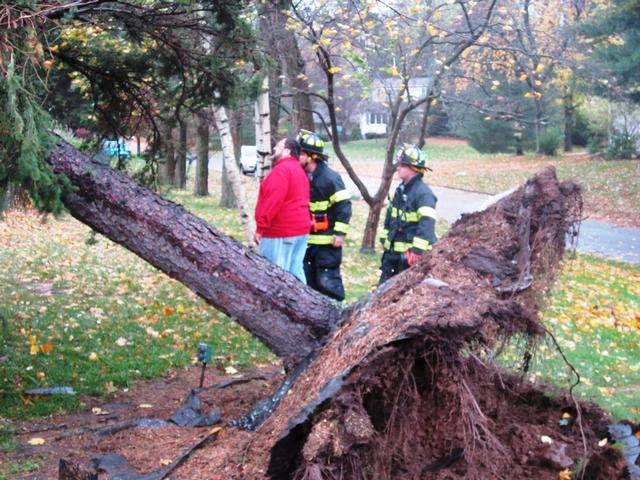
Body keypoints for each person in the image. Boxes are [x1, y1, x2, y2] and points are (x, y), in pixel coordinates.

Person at [298, 130, 352, 301]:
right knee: (308, 282)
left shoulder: (330, 178)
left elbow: (344, 206)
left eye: (299, 153)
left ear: (311, 156)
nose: (296, 157)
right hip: (308, 241)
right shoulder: (303, 177)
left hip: (328, 243)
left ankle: (338, 315)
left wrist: (339, 233)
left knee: (327, 282)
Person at [379, 144, 437, 284]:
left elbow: (427, 224)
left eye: (402, 165)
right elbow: (391, 217)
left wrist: (417, 251)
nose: (397, 168)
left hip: (408, 259)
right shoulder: (400, 190)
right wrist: (384, 239)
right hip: (393, 255)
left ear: (413, 169)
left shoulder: (424, 194)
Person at [254, 137, 310, 283]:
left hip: (281, 230)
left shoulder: (281, 171)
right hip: (301, 229)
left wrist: (261, 227)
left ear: (287, 151)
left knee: (273, 276)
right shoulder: (299, 171)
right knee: (296, 271)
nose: (274, 149)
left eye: (278, 146)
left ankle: (272, 305)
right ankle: (304, 304)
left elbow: (272, 201)